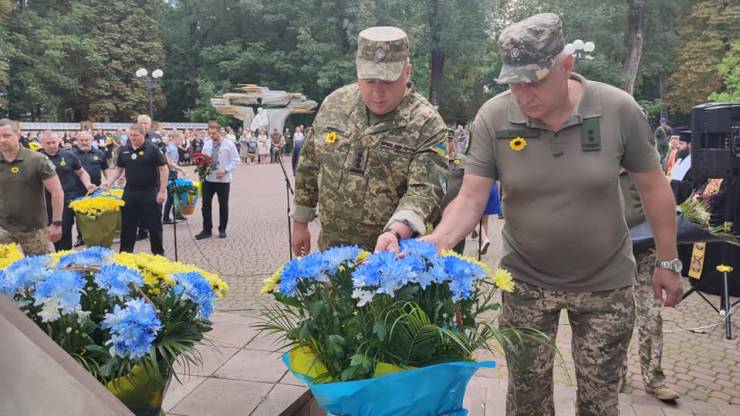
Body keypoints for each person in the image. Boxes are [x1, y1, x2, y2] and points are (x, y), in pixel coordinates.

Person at [421, 14, 682, 416]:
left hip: (605, 285)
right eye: (514, 82)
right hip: (526, 282)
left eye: (535, 81)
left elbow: (654, 188)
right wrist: (435, 243)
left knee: (599, 404)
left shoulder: (616, 109)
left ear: (567, 65)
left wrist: (667, 259)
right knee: (526, 403)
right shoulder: (494, 116)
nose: (523, 95)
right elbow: (472, 198)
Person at [292, 26, 449, 254]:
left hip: (392, 257)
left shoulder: (426, 123)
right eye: (369, 81)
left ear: (407, 72)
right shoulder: (335, 105)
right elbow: (309, 164)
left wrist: (395, 231)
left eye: (387, 82)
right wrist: (300, 222)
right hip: (332, 252)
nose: (377, 92)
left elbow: (425, 191)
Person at [619, 171, 680, 401]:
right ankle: (616, 375)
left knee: (651, 315)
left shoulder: (640, 155)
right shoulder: (596, 154)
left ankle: (654, 379)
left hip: (645, 247)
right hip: (612, 249)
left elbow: (659, 197)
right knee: (616, 316)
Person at [101, 124, 168, 255]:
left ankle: (158, 254)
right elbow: (119, 169)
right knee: (127, 225)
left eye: (135, 135)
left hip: (150, 191)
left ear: (143, 135)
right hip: (130, 192)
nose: (132, 138)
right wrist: (109, 182)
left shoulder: (153, 149)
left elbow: (164, 169)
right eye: (130, 135)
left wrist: (162, 190)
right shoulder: (125, 150)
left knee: (154, 225)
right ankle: (125, 255)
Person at [0, 119, 64, 255]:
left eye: (6, 135)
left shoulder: (37, 160)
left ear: (18, 135)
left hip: (34, 229)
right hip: (3, 227)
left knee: (40, 271)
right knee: (3, 270)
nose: (2, 140)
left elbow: (57, 191)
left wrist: (56, 223)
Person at [39, 131, 96, 251]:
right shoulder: (37, 158)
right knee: (55, 232)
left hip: (69, 197)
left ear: (59, 141)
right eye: (48, 143)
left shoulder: (69, 155)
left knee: (65, 229)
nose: (52, 145)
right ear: (42, 144)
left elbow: (81, 172)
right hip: (47, 200)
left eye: (54, 142)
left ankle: (66, 255)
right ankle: (61, 256)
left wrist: (88, 184)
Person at [195, 121, 240, 240]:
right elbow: (203, 158)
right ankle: (206, 229)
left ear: (220, 132)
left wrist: (226, 170)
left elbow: (236, 160)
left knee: (223, 206)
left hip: (223, 180)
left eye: (214, 133)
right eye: (210, 133)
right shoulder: (207, 143)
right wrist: (201, 169)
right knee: (205, 205)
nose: (211, 136)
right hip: (208, 179)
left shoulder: (229, 144)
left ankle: (222, 229)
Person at [73, 131, 109, 247]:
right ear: (77, 141)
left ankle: (97, 236)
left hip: (96, 189)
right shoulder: (72, 155)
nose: (84, 142)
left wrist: (109, 182)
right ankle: (81, 237)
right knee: (80, 216)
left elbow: (106, 169)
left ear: (91, 140)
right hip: (78, 189)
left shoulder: (99, 153)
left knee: (97, 213)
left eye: (87, 140)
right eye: (81, 140)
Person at [162, 132, 187, 225]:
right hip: (171, 173)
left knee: (172, 195)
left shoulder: (172, 147)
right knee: (171, 195)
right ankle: (166, 217)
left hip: (171, 172)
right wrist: (181, 169)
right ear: (175, 138)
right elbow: (171, 162)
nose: (182, 141)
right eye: (181, 139)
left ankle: (172, 215)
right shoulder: (172, 148)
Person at [669, 132, 694, 204]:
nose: (678, 146)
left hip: (684, 203)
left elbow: (689, 187)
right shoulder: (679, 160)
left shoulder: (693, 163)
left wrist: (671, 182)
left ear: (689, 145)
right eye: (678, 143)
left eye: (681, 143)